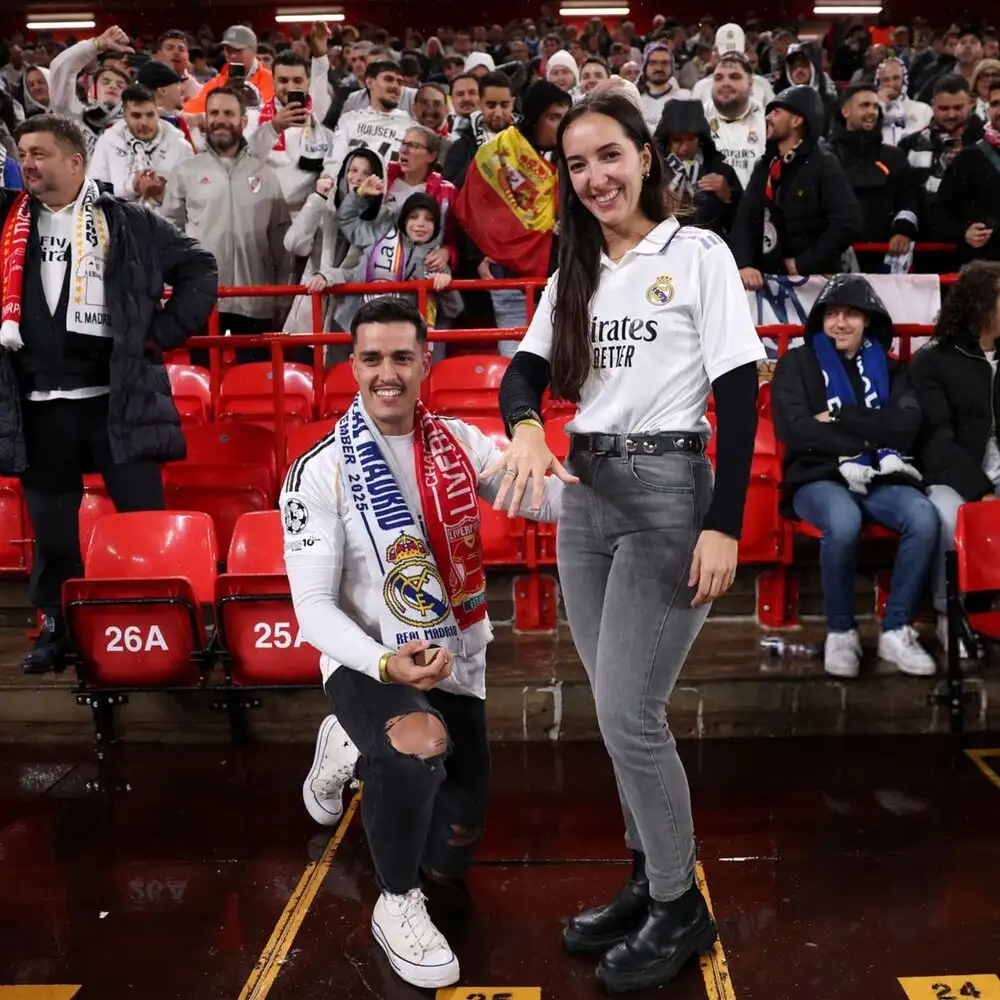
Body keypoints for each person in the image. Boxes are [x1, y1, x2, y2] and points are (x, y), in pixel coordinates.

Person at [493, 91, 765, 993]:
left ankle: (679, 905)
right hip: (587, 494)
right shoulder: (574, 266)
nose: (595, 177)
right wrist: (527, 424)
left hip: (666, 491)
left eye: (610, 156)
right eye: (577, 165)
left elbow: (735, 390)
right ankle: (650, 884)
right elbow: (526, 367)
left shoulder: (698, 254)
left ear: (646, 157)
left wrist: (723, 521)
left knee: (627, 714)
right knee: (617, 712)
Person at [281, 296, 561, 989]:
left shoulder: (462, 445)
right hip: (368, 659)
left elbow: (549, 500)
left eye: (402, 357)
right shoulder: (320, 470)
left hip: (455, 656)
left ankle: (350, 744)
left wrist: (576, 464)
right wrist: (382, 661)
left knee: (457, 841)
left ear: (423, 362)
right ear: (353, 365)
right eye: (372, 357)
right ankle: (395, 902)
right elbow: (312, 608)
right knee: (416, 745)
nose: (387, 373)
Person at [0, 114, 217, 674]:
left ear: (76, 162)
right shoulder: (4, 224)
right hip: (37, 405)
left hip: (116, 402)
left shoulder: (128, 222)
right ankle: (56, 630)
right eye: (23, 153)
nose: (29, 163)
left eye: (41, 153)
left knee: (144, 521)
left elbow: (198, 267)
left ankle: (165, 629)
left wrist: (159, 334)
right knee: (51, 531)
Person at [770, 275, 938, 678]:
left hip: (880, 476)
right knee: (843, 522)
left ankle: (896, 629)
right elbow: (793, 429)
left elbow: (903, 429)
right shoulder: (797, 363)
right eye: (831, 314)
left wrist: (843, 416)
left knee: (923, 516)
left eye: (850, 314)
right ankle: (840, 632)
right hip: (816, 476)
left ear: (868, 320)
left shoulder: (895, 370)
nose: (840, 323)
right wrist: (868, 431)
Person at [910, 261, 1000, 654]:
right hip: (954, 472)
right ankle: (952, 615)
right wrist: (981, 492)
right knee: (951, 519)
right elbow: (937, 441)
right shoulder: (934, 360)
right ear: (981, 306)